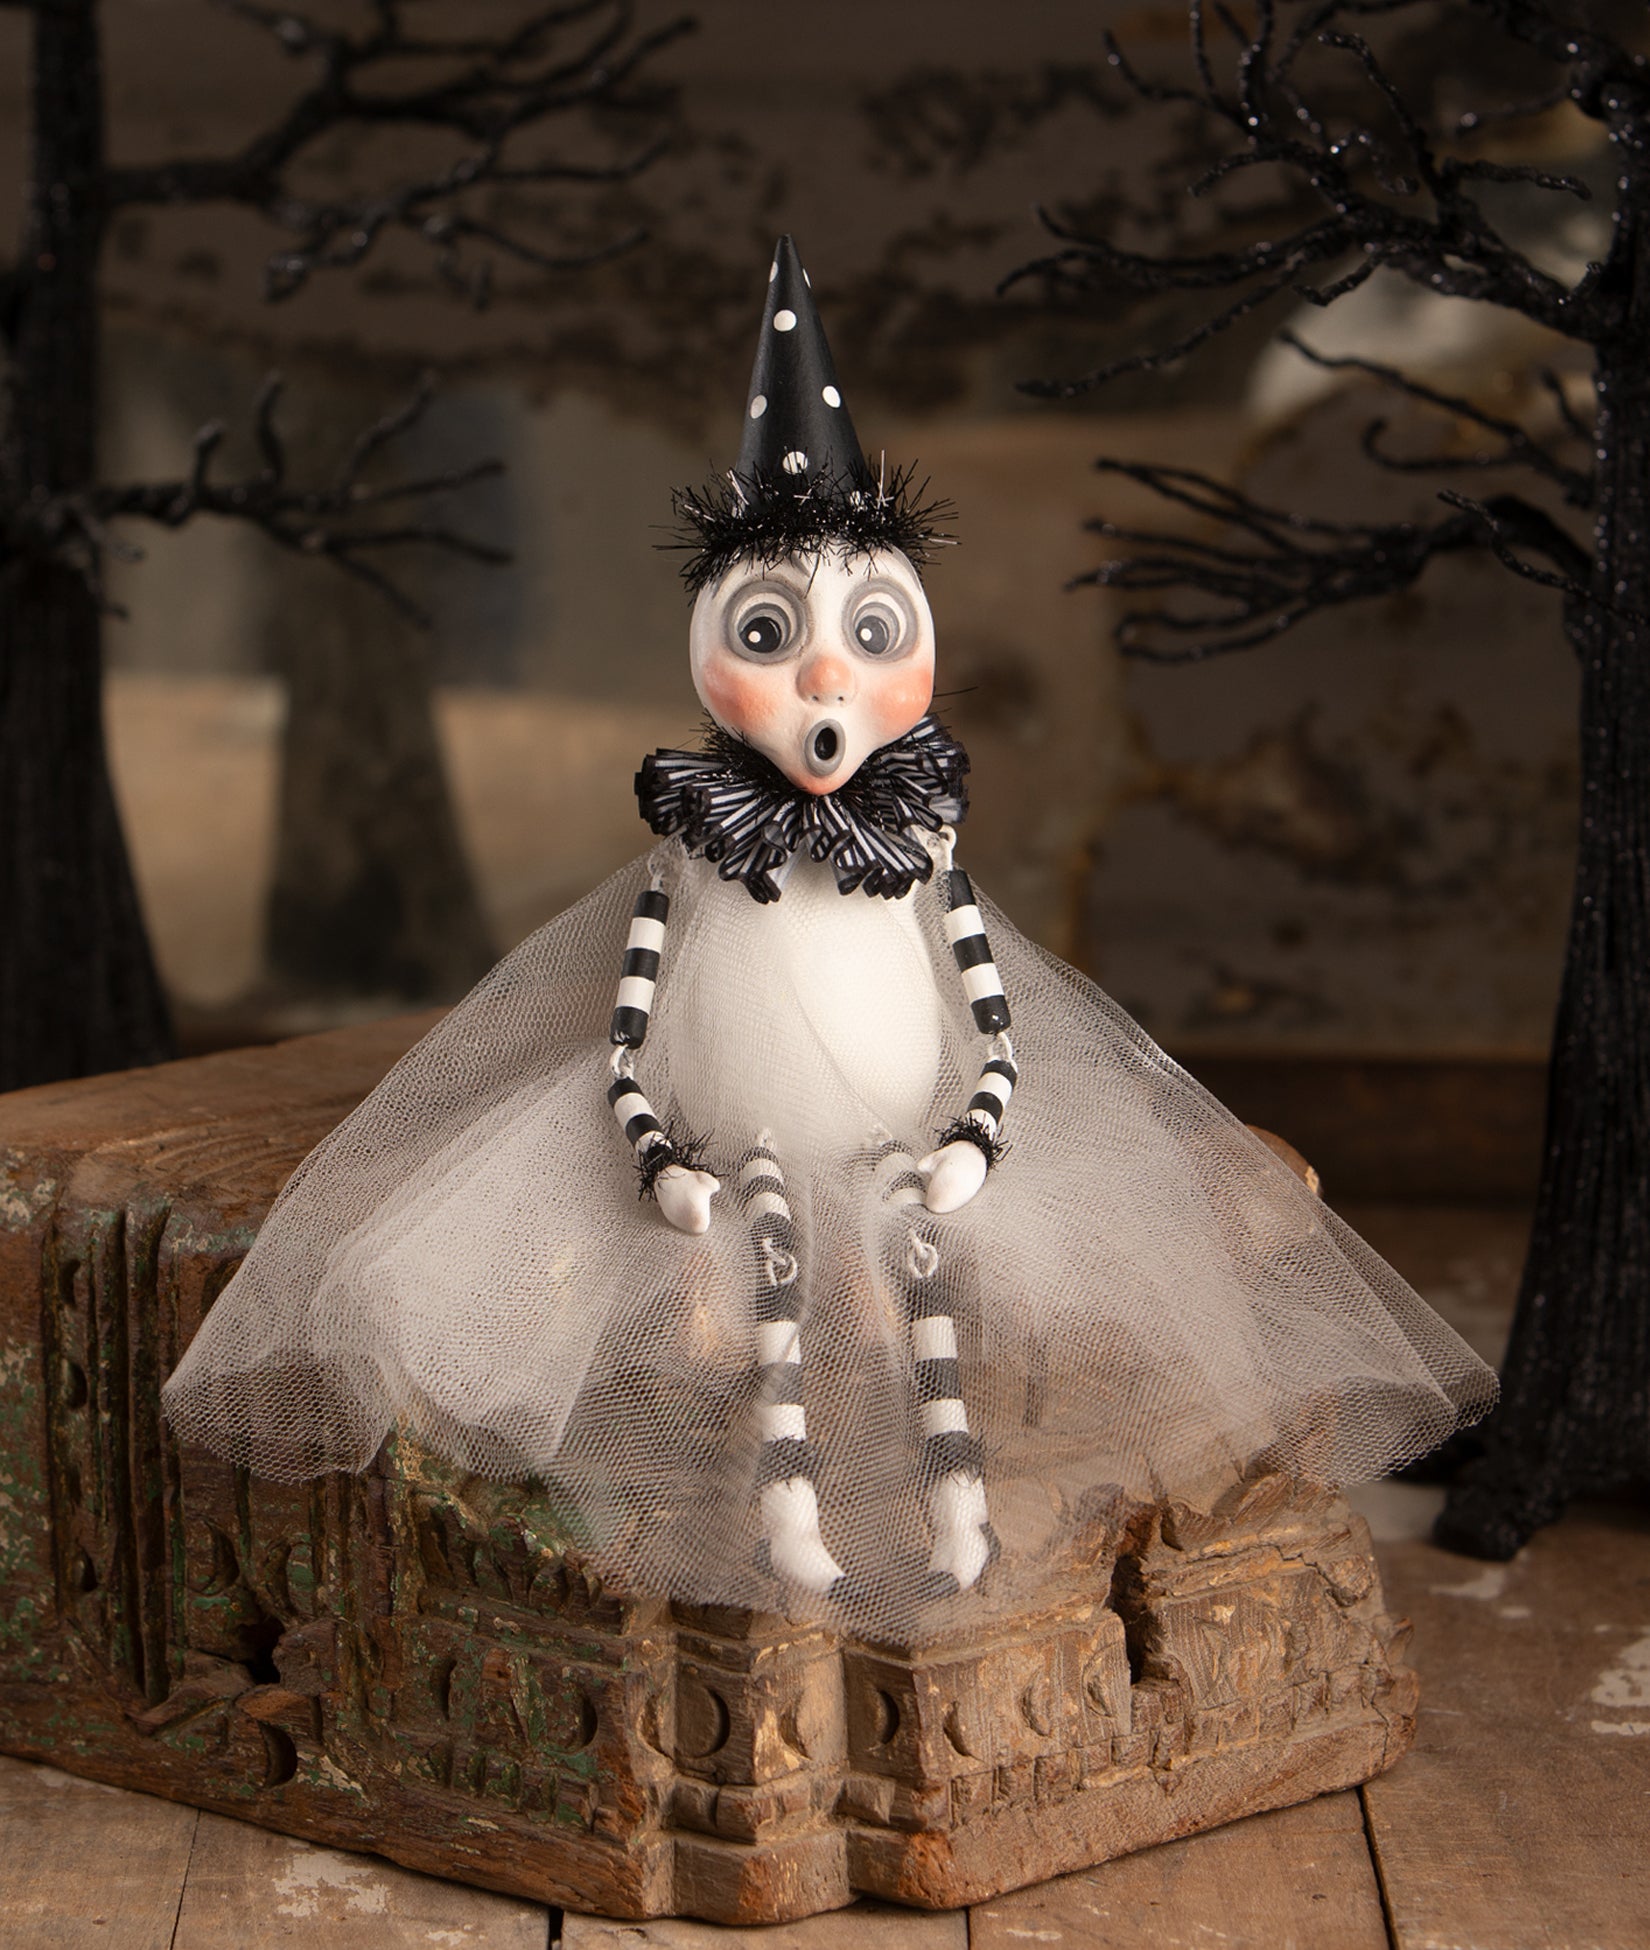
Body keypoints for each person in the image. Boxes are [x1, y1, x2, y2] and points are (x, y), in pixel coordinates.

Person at [163, 238, 1495, 1646]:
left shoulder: (921, 843)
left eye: (870, 628)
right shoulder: (696, 850)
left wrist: (978, 1129)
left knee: (921, 1297)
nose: (821, 671)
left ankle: (955, 1512)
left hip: (904, 1139)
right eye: (769, 629)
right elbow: (628, 1033)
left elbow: (990, 1014)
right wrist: (658, 1154)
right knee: (765, 1312)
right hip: (727, 1141)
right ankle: (781, 1525)